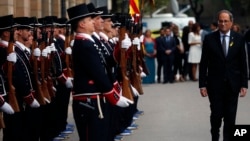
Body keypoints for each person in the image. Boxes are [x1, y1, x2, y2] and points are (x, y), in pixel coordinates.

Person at [66, 3, 132, 141]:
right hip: (90, 101)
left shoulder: (89, 43)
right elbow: (98, 74)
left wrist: (120, 49)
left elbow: (106, 62)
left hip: (95, 99)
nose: (94, 21)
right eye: (90, 19)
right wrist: (114, 97)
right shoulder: (84, 44)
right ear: (82, 24)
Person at [199, 10, 248, 141]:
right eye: (220, 21)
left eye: (226, 21)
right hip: (214, 85)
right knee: (216, 115)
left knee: (230, 116)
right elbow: (204, 63)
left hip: (233, 84)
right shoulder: (209, 39)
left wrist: (244, 84)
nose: (223, 23)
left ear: (231, 22)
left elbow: (243, 63)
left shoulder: (239, 38)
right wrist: (202, 84)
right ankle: (215, 136)